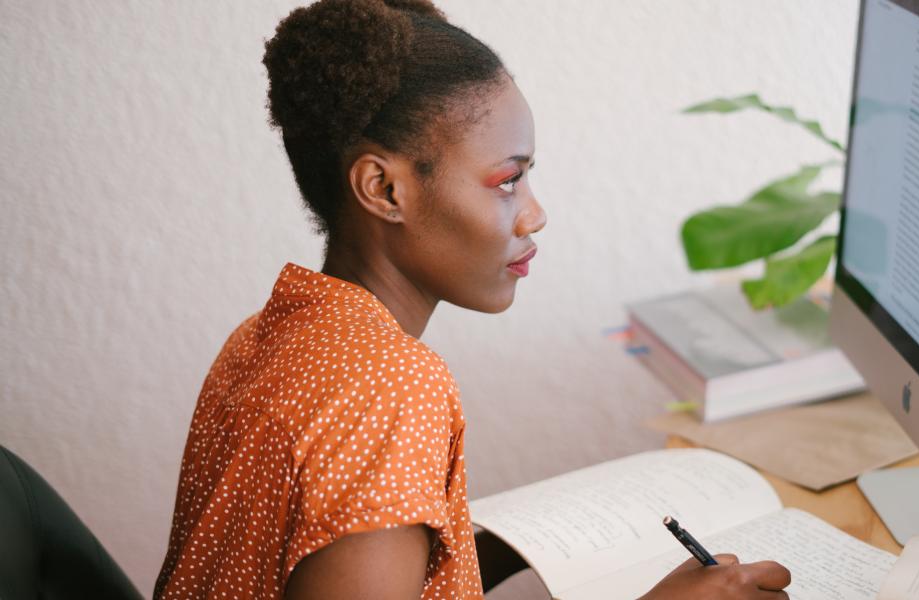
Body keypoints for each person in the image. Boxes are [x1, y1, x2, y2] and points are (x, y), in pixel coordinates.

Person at [154, 1, 793, 598]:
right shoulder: (392, 388)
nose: (534, 215)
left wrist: (481, 549)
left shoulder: (267, 334)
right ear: (384, 188)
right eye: (508, 181)